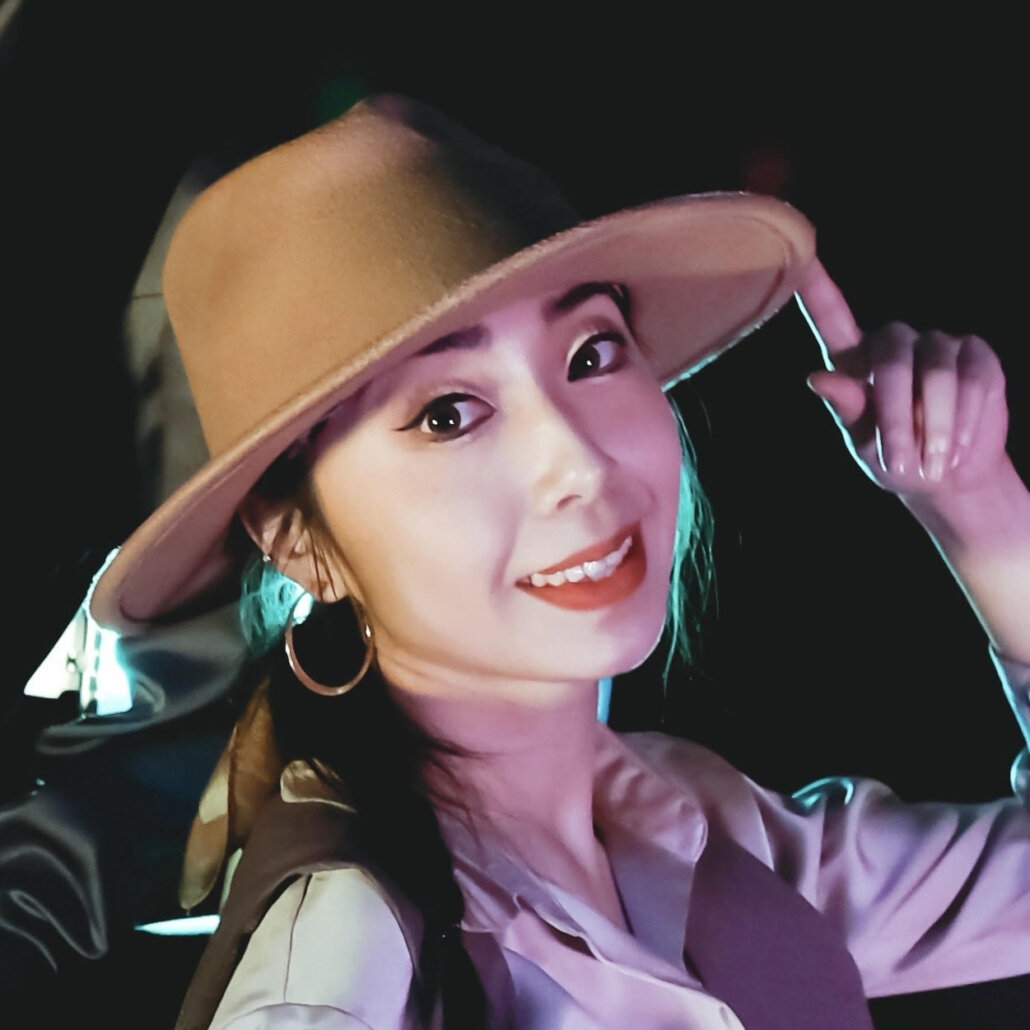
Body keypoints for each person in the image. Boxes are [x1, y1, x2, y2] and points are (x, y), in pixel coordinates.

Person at [85, 93, 1030, 1029]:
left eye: (590, 354)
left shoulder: (705, 829)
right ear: (299, 542)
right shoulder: (349, 966)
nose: (578, 463)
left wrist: (976, 501)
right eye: (447, 414)